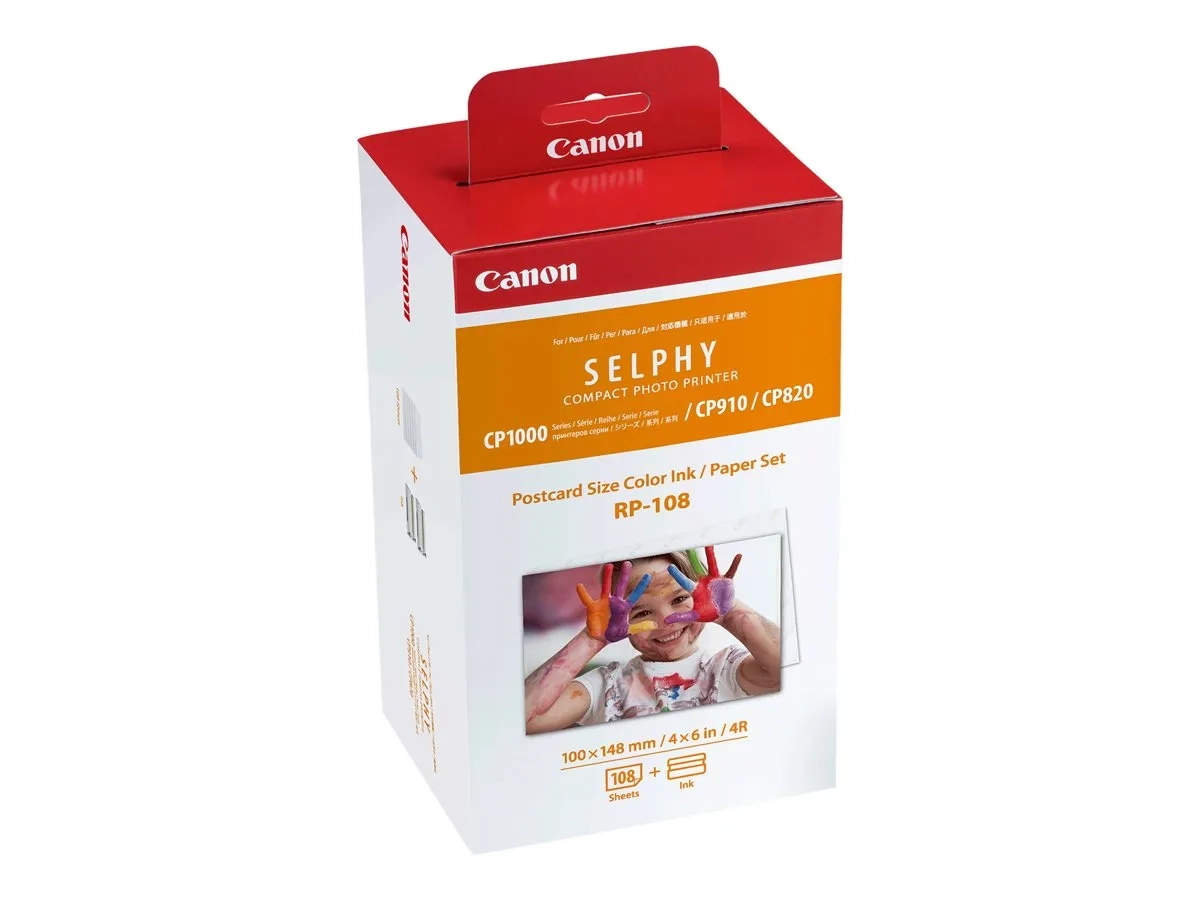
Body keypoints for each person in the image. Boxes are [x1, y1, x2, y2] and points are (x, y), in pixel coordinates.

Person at [524, 547, 781, 733]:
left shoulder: (727, 669)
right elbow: (524, 718)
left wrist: (731, 613)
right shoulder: (607, 686)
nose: (665, 622)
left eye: (679, 599)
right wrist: (591, 639)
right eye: (642, 612)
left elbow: (788, 670)